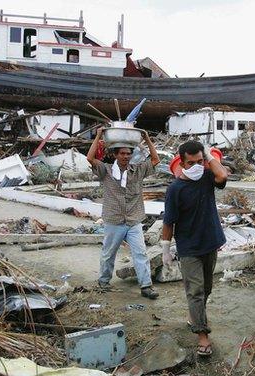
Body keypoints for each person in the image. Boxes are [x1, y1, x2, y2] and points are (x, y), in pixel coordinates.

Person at [161, 141, 228, 357]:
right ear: (182, 163)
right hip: (189, 248)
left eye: (200, 161)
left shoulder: (207, 178)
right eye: (192, 163)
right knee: (196, 291)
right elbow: (168, 222)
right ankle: (202, 336)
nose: (198, 166)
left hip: (210, 242)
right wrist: (165, 249)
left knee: (206, 288)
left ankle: (195, 316)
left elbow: (223, 176)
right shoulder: (175, 190)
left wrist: (208, 155)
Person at [86, 127, 160, 299]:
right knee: (108, 253)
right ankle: (103, 282)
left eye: (128, 153)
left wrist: (147, 138)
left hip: (133, 220)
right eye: (122, 154)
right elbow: (90, 158)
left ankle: (146, 286)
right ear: (115, 155)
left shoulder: (138, 170)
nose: (125, 156)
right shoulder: (106, 170)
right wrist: (98, 136)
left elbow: (155, 159)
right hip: (114, 220)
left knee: (140, 253)